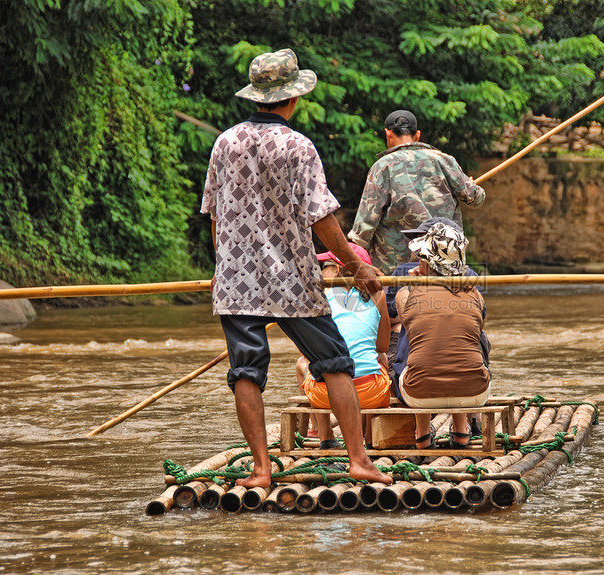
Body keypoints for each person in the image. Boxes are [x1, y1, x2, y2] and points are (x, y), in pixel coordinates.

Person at [201, 48, 392, 488]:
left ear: (256, 97)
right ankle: (359, 461)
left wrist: (221, 266)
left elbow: (216, 214)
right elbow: (320, 218)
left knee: (245, 371)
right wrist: (354, 266)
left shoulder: (224, 142)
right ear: (292, 98)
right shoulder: (298, 145)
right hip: (291, 279)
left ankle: (261, 470)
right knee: (335, 361)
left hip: (237, 281)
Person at [348, 109, 486, 272]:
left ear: (388, 133)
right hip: (443, 266)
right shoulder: (444, 160)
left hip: (394, 269)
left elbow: (365, 225)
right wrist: (471, 185)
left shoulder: (382, 166)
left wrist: (347, 256)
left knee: (398, 298)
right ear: (418, 134)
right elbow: (476, 199)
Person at [393, 222, 491, 449]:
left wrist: (415, 285)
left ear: (428, 262)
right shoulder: (475, 294)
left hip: (417, 392)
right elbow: (478, 328)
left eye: (421, 258)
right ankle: (461, 430)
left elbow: (406, 322)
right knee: (465, 338)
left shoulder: (405, 294)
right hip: (475, 393)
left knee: (413, 339)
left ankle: (422, 434)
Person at [295, 244, 392, 449]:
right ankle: (367, 437)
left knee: (304, 362)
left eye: (326, 265)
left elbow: (307, 350)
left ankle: (326, 436)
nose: (322, 271)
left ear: (337, 269)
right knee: (380, 359)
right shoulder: (378, 295)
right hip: (370, 392)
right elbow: (382, 345)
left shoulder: (321, 296)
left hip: (325, 395)